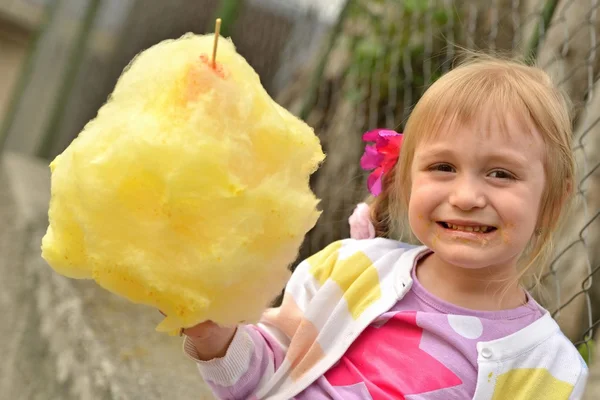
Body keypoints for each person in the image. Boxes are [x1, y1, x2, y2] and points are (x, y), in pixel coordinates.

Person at [176, 55, 589, 399]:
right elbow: (265, 376)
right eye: (443, 167)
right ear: (407, 179)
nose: (465, 196)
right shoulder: (347, 269)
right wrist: (216, 337)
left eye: (501, 174)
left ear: (552, 200)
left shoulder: (546, 369)